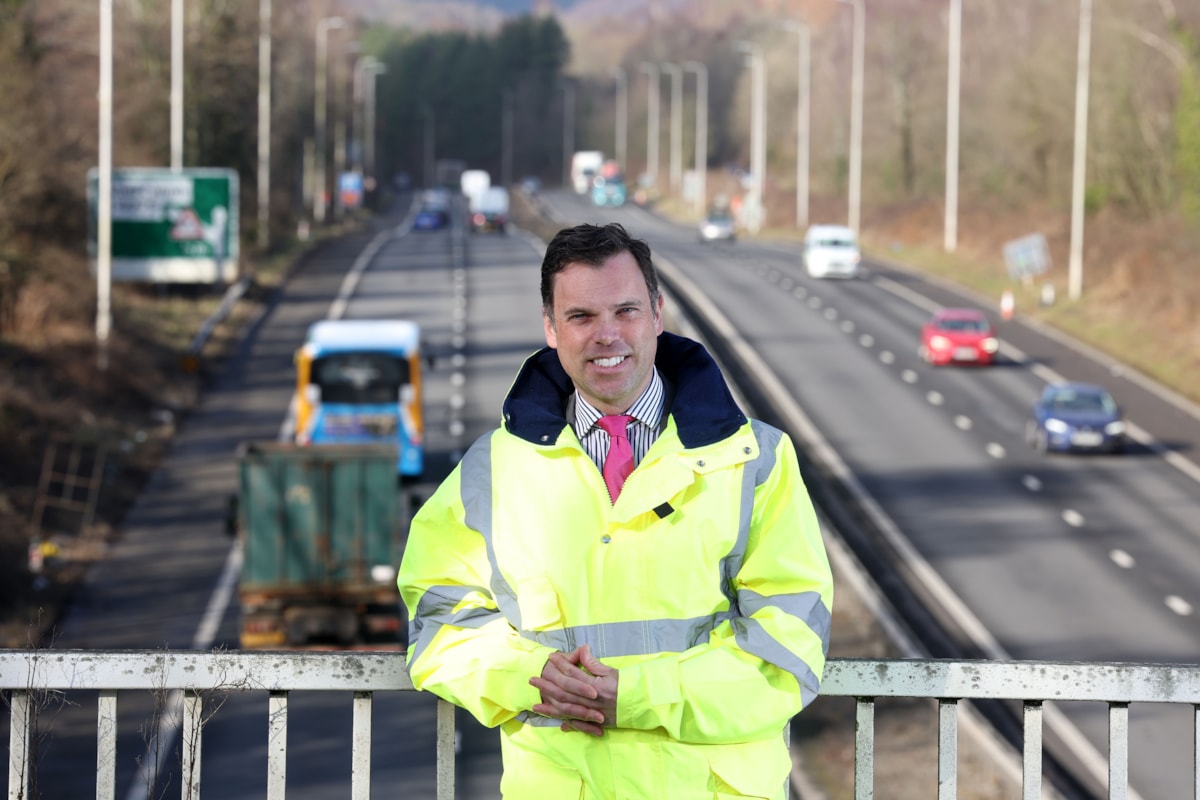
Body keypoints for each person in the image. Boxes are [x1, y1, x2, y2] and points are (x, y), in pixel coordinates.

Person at [397, 222, 834, 799]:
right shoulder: (492, 469)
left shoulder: (758, 460)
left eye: (625, 311)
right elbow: (437, 623)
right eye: (581, 317)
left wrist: (631, 696)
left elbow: (789, 652)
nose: (607, 335)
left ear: (657, 313)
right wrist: (529, 679)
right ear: (551, 329)